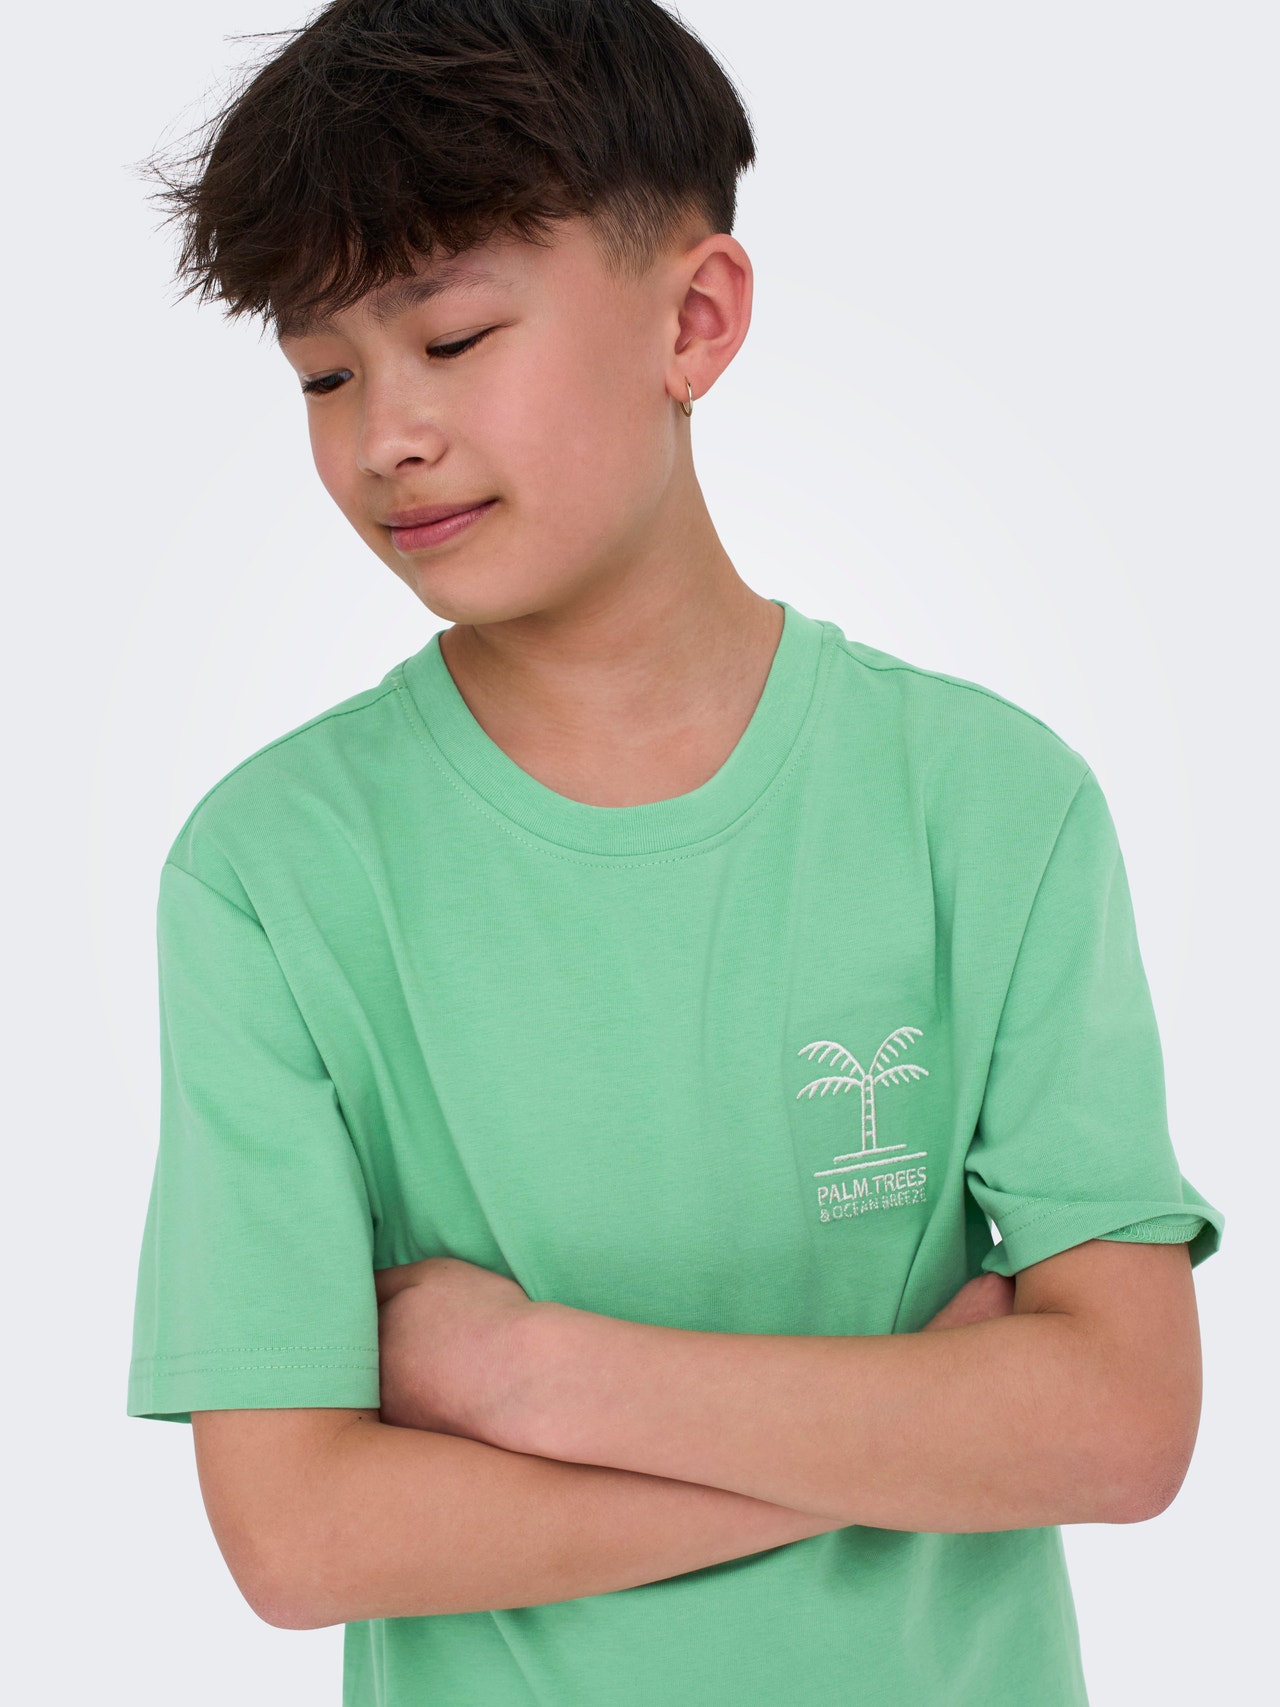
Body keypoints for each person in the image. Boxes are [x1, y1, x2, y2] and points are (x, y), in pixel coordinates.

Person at [125, 3, 1222, 1703]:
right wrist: (913, 1438)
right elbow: (301, 1536)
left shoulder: (991, 805)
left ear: (694, 320)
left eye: (453, 337)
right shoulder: (273, 871)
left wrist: (533, 1374)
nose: (382, 435)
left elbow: (1122, 1426)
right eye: (323, 375)